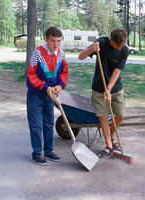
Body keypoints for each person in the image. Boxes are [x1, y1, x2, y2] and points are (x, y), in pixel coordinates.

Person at [78, 28, 130, 158]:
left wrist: (109, 89)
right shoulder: (100, 43)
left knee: (121, 115)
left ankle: (111, 138)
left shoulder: (124, 50)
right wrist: (91, 49)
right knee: (103, 116)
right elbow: (80, 56)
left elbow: (117, 72)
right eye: (117, 46)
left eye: (121, 46)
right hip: (98, 87)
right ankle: (108, 146)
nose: (119, 49)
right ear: (110, 40)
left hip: (116, 87)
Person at [26, 26, 69, 165]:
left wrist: (60, 85)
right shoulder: (37, 53)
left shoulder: (60, 53)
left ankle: (49, 151)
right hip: (36, 95)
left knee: (49, 124)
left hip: (50, 95)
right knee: (36, 125)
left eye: (58, 41)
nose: (56, 45)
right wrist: (45, 87)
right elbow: (31, 75)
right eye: (52, 41)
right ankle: (37, 154)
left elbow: (64, 71)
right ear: (46, 39)